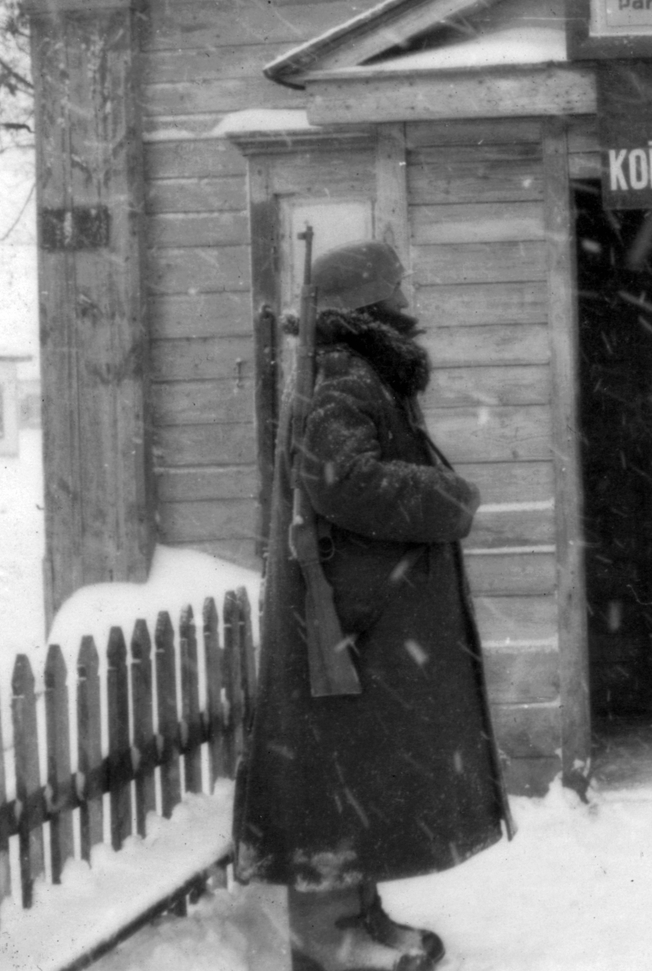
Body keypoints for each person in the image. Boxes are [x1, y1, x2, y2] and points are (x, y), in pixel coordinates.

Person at [233, 240, 513, 970]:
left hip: (360, 618)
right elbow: (338, 477)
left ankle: (360, 916)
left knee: (353, 771)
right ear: (371, 306)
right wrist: (443, 499)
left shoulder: (361, 373)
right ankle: (327, 942)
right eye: (396, 287)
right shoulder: (347, 375)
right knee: (329, 777)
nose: (407, 297)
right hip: (343, 620)